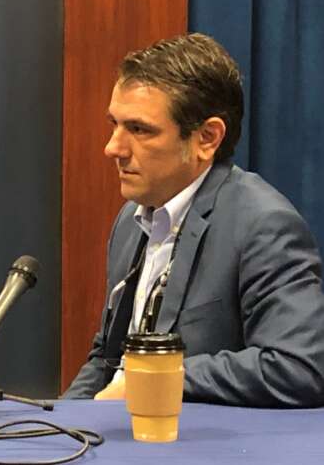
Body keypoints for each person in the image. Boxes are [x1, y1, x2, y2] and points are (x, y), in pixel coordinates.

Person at [64, 33, 324, 407]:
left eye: (138, 129)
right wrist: (58, 425)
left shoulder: (264, 225)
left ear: (207, 137)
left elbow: (298, 365)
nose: (113, 147)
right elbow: (108, 359)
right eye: (114, 125)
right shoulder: (130, 221)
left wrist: (158, 379)